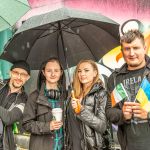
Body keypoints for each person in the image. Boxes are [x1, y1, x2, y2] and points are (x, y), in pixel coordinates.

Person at [106, 30, 150, 150]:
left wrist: (148, 114)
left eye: (136, 48)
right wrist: (123, 115)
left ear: (144, 48)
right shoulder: (115, 78)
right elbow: (110, 111)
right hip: (128, 145)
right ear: (122, 51)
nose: (131, 53)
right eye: (127, 48)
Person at [23, 58, 66, 150]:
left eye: (56, 70)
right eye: (49, 70)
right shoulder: (34, 97)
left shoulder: (66, 96)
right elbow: (26, 124)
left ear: (61, 72)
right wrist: (48, 126)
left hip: (63, 146)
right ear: (43, 72)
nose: (53, 74)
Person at [65, 59, 107, 150]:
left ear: (95, 73)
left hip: (90, 146)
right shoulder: (72, 93)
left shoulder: (101, 94)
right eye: (79, 71)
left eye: (86, 70)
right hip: (72, 145)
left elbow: (102, 126)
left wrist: (81, 110)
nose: (82, 74)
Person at [0, 60, 30, 150]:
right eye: (16, 73)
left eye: (23, 74)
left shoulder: (25, 100)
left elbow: (9, 118)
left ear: (27, 78)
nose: (19, 77)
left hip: (3, 143)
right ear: (10, 73)